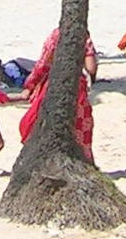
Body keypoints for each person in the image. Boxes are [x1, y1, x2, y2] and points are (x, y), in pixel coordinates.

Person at [19, 27, 98, 163]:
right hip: (76, 86)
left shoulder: (55, 36)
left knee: (38, 120)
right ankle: (83, 160)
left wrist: (30, 85)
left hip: (54, 83)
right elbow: (91, 68)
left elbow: (42, 64)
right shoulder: (84, 37)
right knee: (80, 125)